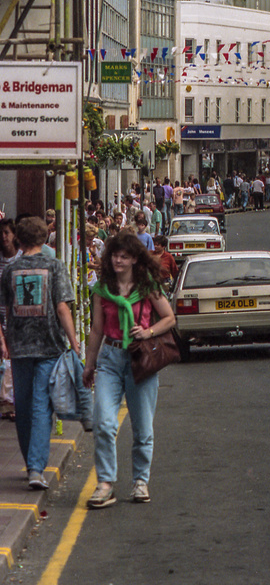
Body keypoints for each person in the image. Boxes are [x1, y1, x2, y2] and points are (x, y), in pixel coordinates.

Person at [83, 232, 176, 508]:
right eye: (114, 255)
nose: (117, 260)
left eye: (124, 256)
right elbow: (97, 329)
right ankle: (105, 484)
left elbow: (169, 318)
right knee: (103, 422)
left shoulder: (147, 285)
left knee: (143, 427)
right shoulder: (102, 289)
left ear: (135, 258)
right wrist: (89, 365)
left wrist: (148, 332)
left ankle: (140, 481)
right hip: (110, 358)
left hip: (139, 357)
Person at [1, 217, 78, 490]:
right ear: (44, 239)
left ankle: (30, 461)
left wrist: (5, 340)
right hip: (49, 345)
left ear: (19, 241)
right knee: (41, 405)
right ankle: (35, 468)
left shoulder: (10, 270)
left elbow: (6, 310)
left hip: (19, 347)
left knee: (22, 405)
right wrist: (75, 341)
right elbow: (62, 308)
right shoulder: (54, 265)